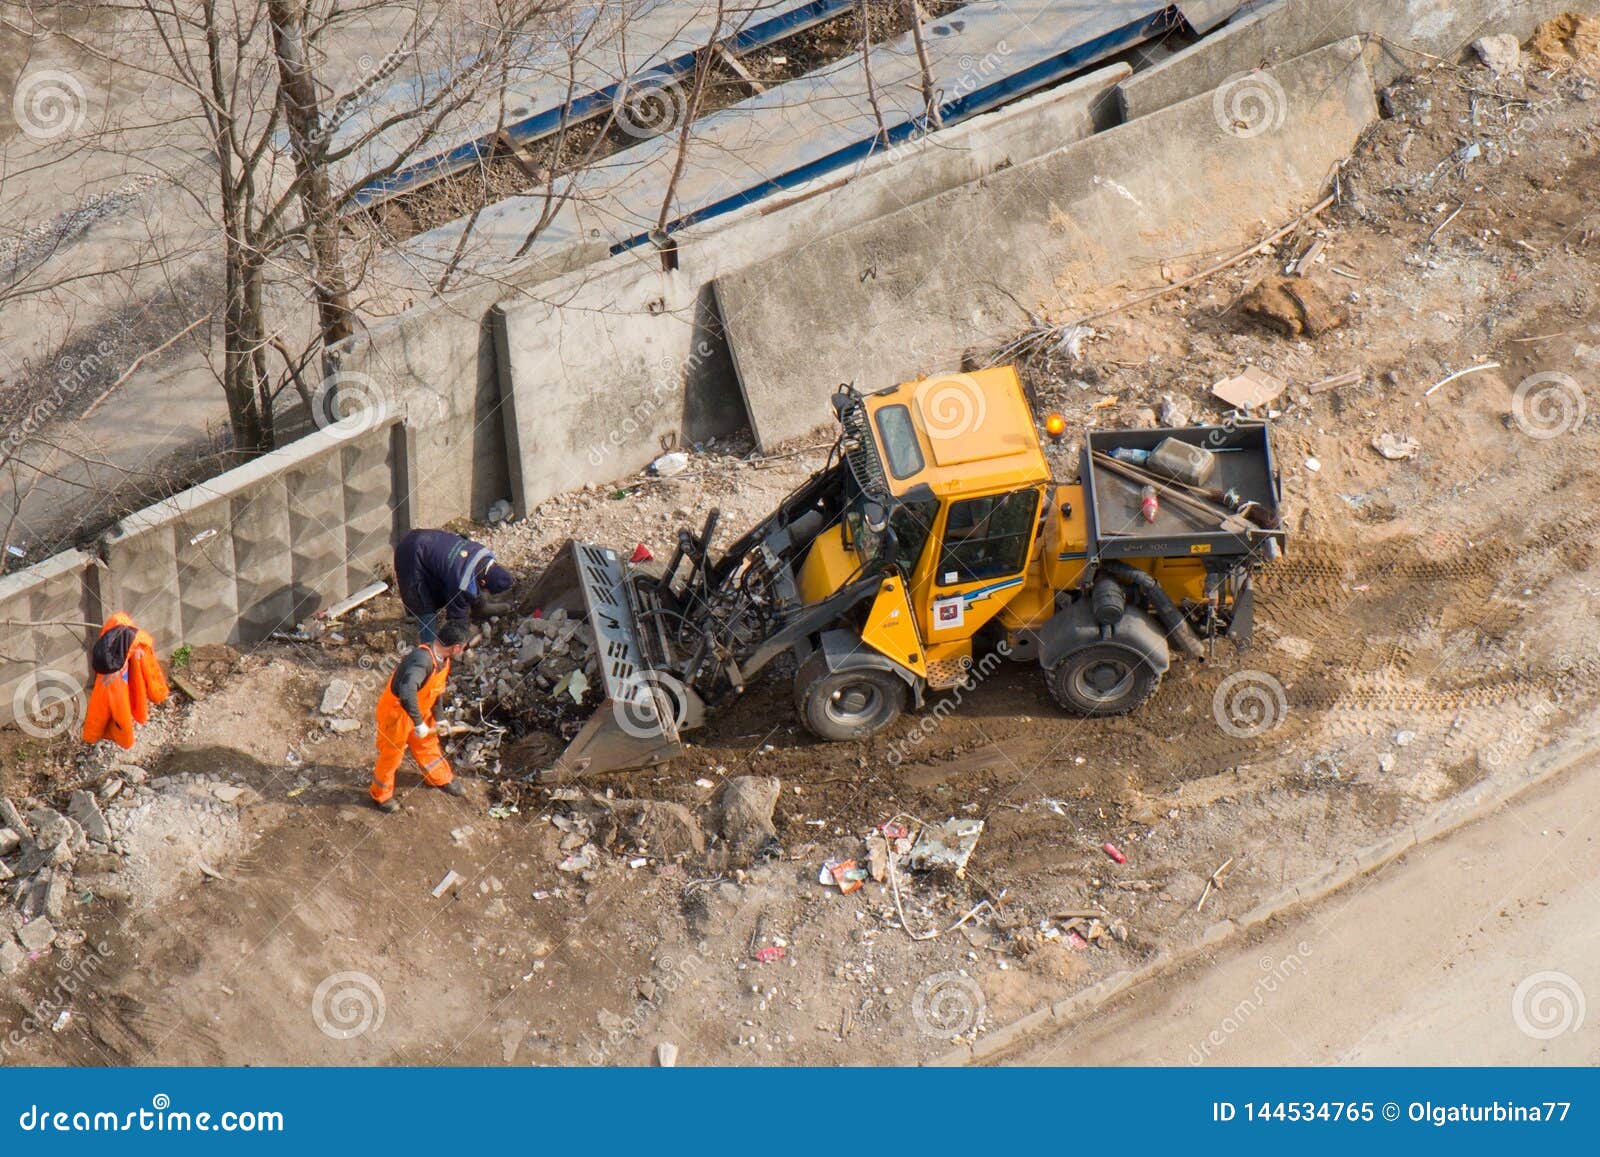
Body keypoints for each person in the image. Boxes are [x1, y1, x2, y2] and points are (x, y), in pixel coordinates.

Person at [369, 621, 472, 813]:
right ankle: (381, 796)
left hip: (421, 710)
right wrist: (418, 723)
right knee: (391, 756)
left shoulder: (443, 660)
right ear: (456, 647)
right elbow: (407, 691)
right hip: (397, 714)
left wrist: (439, 717)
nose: (463, 652)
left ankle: (440, 778)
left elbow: (436, 691)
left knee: (428, 745)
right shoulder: (422, 660)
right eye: (463, 648)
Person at [393, 528, 515, 643]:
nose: (485, 591)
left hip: (429, 539)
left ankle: (480, 608)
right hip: (410, 554)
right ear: (483, 583)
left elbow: (474, 584)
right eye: (486, 589)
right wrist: (462, 635)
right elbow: (457, 615)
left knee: (464, 585)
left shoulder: (484, 554)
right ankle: (429, 648)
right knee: (422, 602)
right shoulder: (462, 582)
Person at [82, 612, 170, 749]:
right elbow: (153, 676)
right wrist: (159, 694)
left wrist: (91, 736)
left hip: (126, 718)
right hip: (126, 719)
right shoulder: (139, 646)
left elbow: (98, 710)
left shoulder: (135, 649)